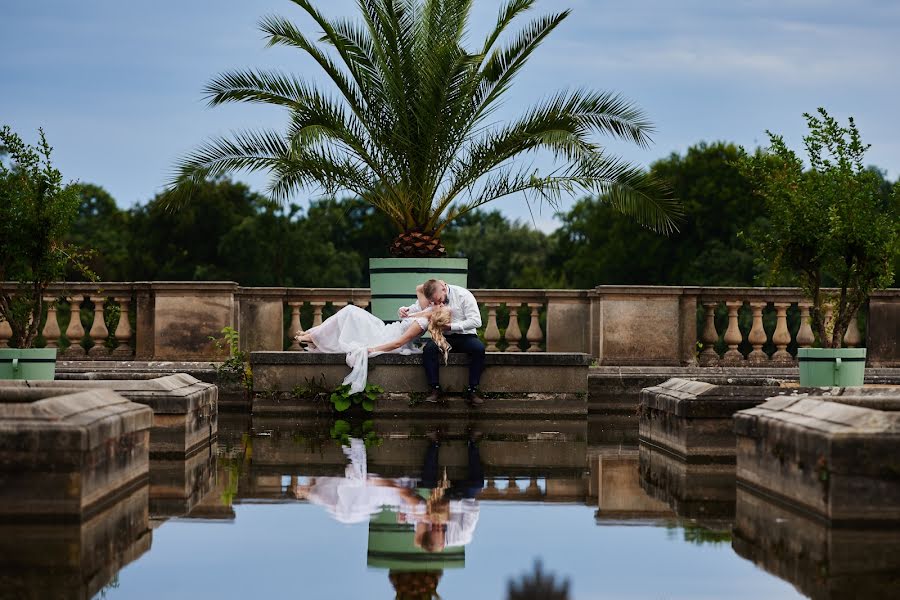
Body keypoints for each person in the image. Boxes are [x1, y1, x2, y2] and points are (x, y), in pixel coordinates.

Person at [295, 289, 452, 394]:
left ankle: (313, 336)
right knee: (350, 312)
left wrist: (373, 349)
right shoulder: (425, 314)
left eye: (440, 306)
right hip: (385, 329)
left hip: (384, 337)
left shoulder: (422, 323)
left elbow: (398, 343)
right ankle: (313, 334)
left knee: (350, 312)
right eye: (441, 302)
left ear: (436, 314)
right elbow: (420, 288)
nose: (439, 303)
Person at [398, 279, 486, 406]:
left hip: (466, 336)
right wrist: (403, 309)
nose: (437, 303)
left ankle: (472, 390)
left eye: (439, 300)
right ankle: (435, 389)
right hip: (444, 337)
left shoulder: (464, 295)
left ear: (444, 289)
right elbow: (416, 308)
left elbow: (477, 321)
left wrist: (451, 326)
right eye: (433, 301)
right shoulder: (434, 296)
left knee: (478, 349)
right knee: (429, 349)